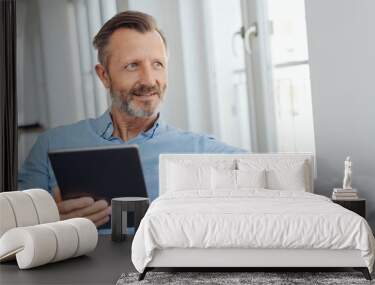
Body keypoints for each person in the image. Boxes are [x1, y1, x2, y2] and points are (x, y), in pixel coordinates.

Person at [18, 11, 245, 227]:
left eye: (158, 64)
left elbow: (273, 176)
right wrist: (48, 222)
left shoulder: (201, 151)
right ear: (104, 76)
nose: (149, 80)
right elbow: (12, 231)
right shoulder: (51, 145)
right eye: (132, 66)